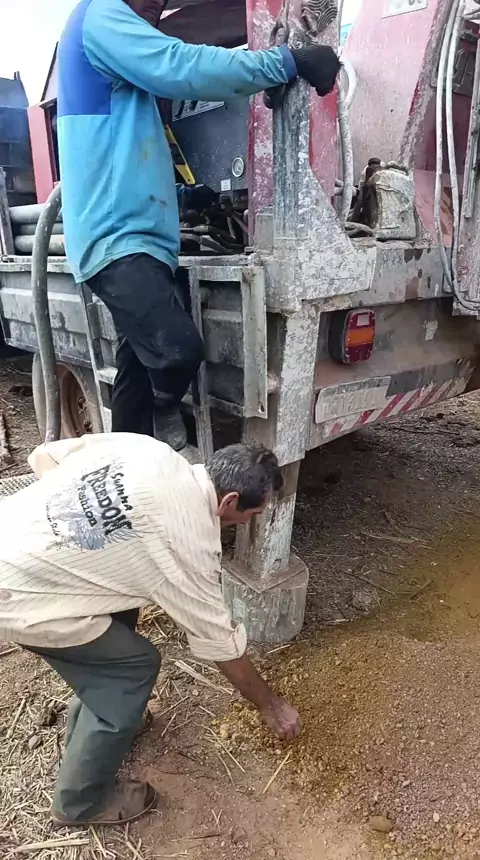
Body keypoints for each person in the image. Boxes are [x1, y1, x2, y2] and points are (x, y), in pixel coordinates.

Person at [57, 0, 341, 451]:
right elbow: (179, 66)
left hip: (141, 241)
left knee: (138, 369)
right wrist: (286, 61)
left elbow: (120, 159)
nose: (156, 7)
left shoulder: (118, 65)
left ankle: (124, 460)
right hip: (116, 242)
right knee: (176, 349)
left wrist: (184, 197)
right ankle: (164, 409)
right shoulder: (99, 14)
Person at [0, 433, 301, 826]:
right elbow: (220, 643)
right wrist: (270, 706)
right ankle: (81, 801)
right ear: (229, 502)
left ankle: (104, 719)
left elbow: (46, 457)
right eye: (254, 513)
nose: (251, 521)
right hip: (18, 596)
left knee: (120, 616)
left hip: (10, 533)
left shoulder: (150, 450)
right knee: (131, 668)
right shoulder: (188, 542)